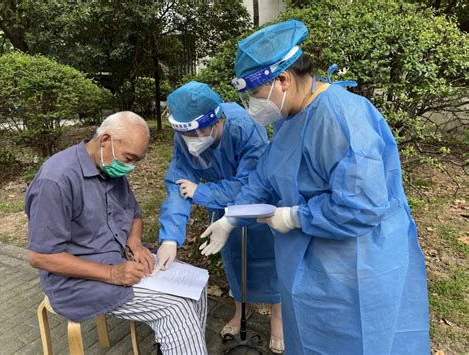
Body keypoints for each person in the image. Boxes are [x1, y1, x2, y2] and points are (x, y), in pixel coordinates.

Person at [200, 20, 430, 354]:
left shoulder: (340, 117)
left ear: (282, 80)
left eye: (254, 94)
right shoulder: (291, 117)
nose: (252, 105)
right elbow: (264, 178)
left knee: (362, 342)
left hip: (358, 262)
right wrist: (231, 217)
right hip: (312, 265)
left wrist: (295, 216)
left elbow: (361, 205)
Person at [26, 111, 207, 355]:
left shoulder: (109, 165)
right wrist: (111, 273)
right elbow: (41, 257)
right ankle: (180, 341)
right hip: (76, 281)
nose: (130, 167)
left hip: (119, 262)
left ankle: (177, 345)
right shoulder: (56, 180)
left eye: (136, 161)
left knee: (198, 287)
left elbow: (134, 215)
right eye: (129, 158)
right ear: (105, 140)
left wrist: (134, 242)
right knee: (176, 308)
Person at [157, 81, 284, 353]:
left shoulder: (245, 127)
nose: (193, 139)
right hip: (220, 204)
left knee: (270, 259)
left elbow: (251, 183)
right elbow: (178, 184)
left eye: (198, 131)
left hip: (258, 204)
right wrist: (169, 238)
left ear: (218, 121)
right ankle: (240, 312)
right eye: (186, 133)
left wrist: (202, 192)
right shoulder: (185, 134)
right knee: (234, 260)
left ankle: (278, 319)